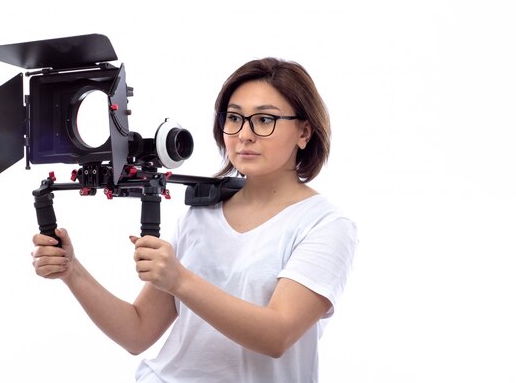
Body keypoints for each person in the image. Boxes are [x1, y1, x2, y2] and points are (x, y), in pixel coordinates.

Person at [31, 58, 358, 383]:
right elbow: (138, 331)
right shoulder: (201, 214)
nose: (244, 134)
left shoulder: (325, 224)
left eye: (264, 119)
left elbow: (277, 335)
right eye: (234, 118)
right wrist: (71, 270)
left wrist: (179, 280)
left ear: (304, 131)